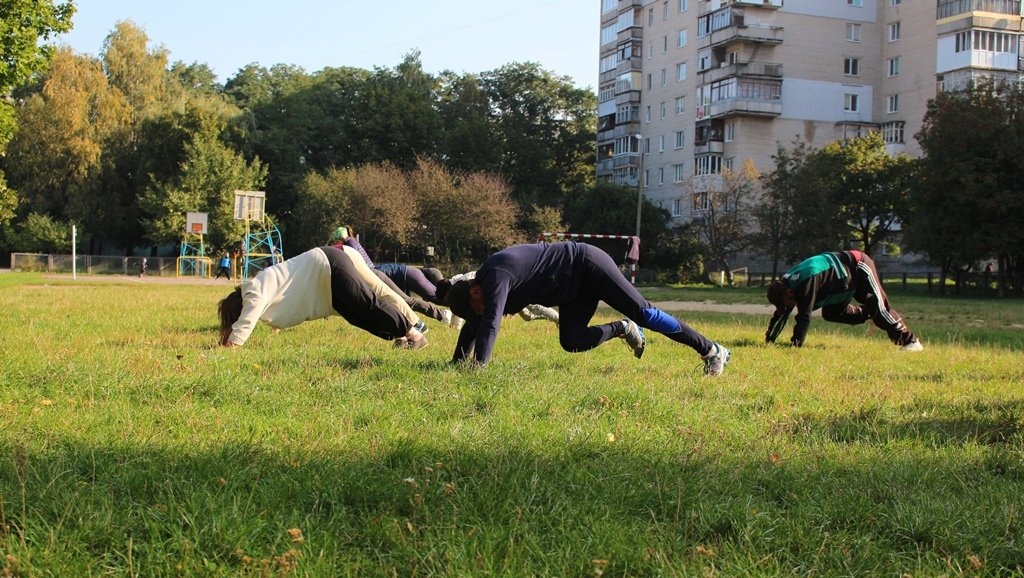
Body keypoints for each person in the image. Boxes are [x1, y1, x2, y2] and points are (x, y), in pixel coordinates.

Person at [443, 241, 730, 375]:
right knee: (572, 342)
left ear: (475, 291)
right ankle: (622, 328)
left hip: (588, 265)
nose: (479, 313)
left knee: (644, 313)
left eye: (476, 307)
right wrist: (458, 362)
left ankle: (712, 350)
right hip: (572, 292)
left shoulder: (497, 275)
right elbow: (476, 323)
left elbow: (490, 322)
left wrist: (479, 367)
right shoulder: (479, 291)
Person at [218, 245, 428, 350]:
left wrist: (232, 345)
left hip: (328, 265)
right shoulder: (256, 290)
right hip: (325, 286)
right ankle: (401, 336)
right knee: (356, 316)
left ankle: (415, 335)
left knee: (367, 304)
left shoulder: (253, 292)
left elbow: (245, 322)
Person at [765, 249, 923, 351]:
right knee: (831, 313)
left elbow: (804, 317)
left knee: (880, 308)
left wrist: (795, 346)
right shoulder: (786, 286)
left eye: (788, 303)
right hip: (839, 282)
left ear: (789, 293)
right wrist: (769, 340)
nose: (790, 306)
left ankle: (910, 342)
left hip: (858, 265)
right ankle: (869, 314)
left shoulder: (806, 282)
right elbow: (781, 314)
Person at [329, 230, 455, 327]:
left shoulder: (349, 245)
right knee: (405, 301)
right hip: (399, 274)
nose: (334, 245)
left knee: (431, 297)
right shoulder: (352, 243)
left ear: (339, 240)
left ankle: (451, 310)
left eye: (335, 242)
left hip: (406, 274)